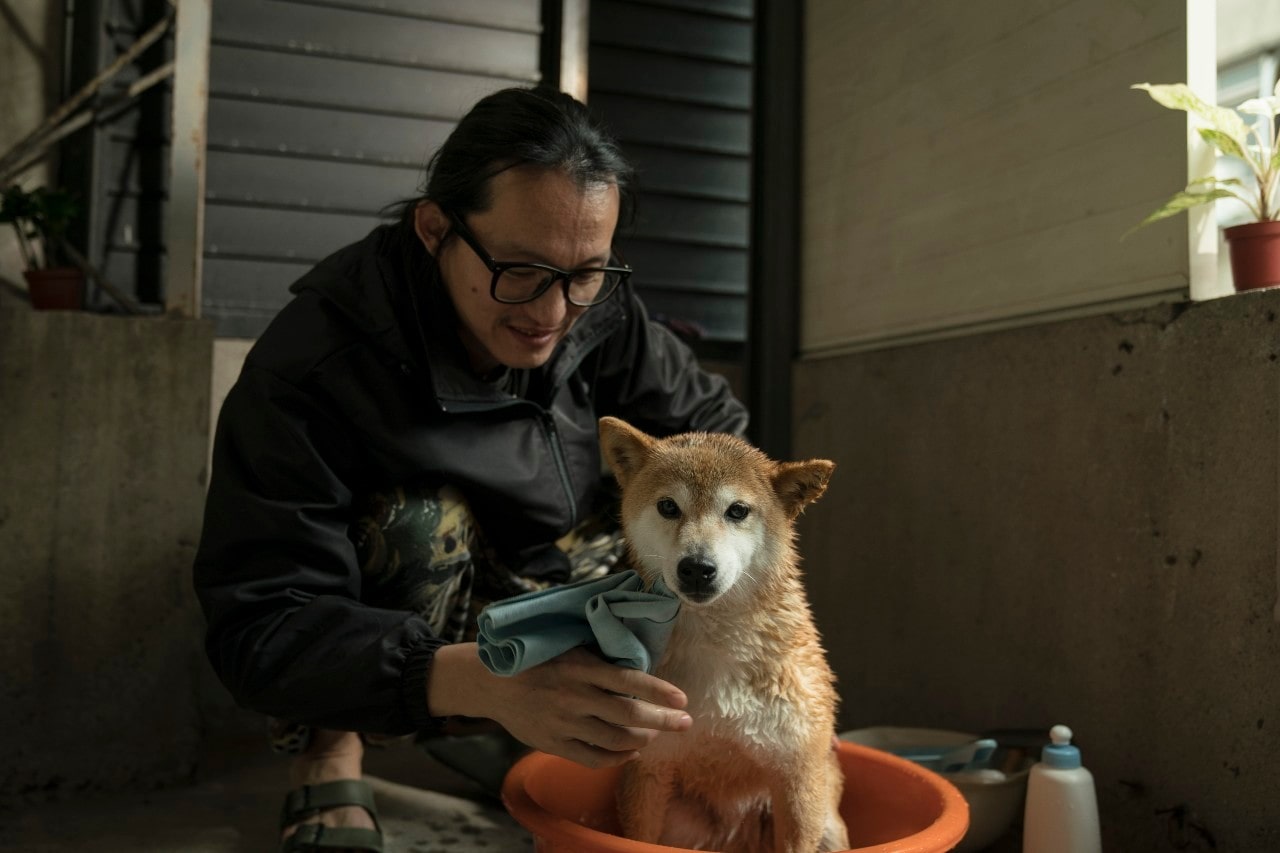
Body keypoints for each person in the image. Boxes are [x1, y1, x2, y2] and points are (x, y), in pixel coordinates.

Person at [192, 85, 749, 851]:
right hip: (425, 597)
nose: (553, 312)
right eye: (520, 270)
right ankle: (333, 753)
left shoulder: (603, 309)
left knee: (691, 512)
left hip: (556, 569)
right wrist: (480, 679)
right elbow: (263, 622)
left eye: (586, 272)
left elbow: (723, 435)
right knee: (418, 525)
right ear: (434, 229)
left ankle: (522, 725)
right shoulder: (317, 362)